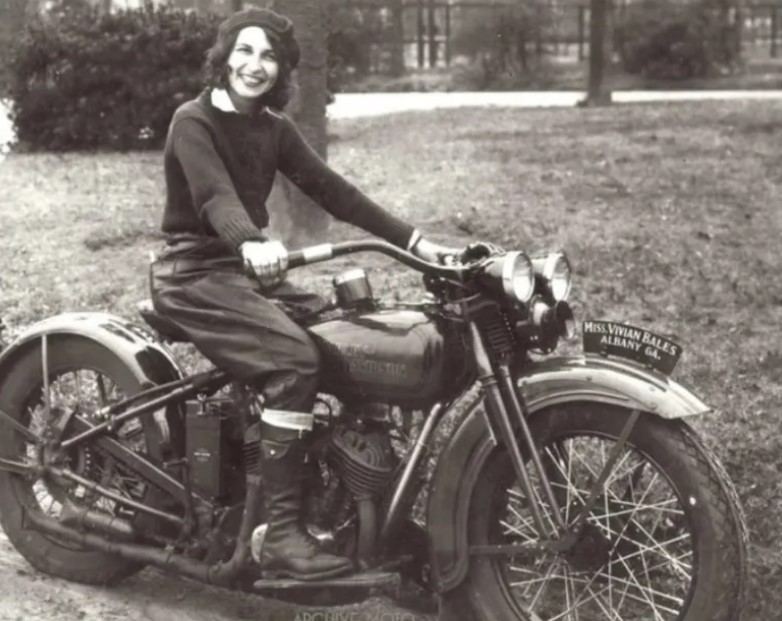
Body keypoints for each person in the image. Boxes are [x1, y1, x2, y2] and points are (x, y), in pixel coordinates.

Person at [150, 7, 454, 581]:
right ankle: (283, 537)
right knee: (294, 361)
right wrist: (248, 240)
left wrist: (417, 243)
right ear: (224, 58)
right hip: (191, 272)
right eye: (244, 51)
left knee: (349, 337)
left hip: (243, 274)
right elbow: (215, 196)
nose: (255, 65)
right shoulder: (193, 120)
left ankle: (356, 504)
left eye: (268, 56)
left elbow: (336, 192)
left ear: (281, 69)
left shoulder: (273, 128)